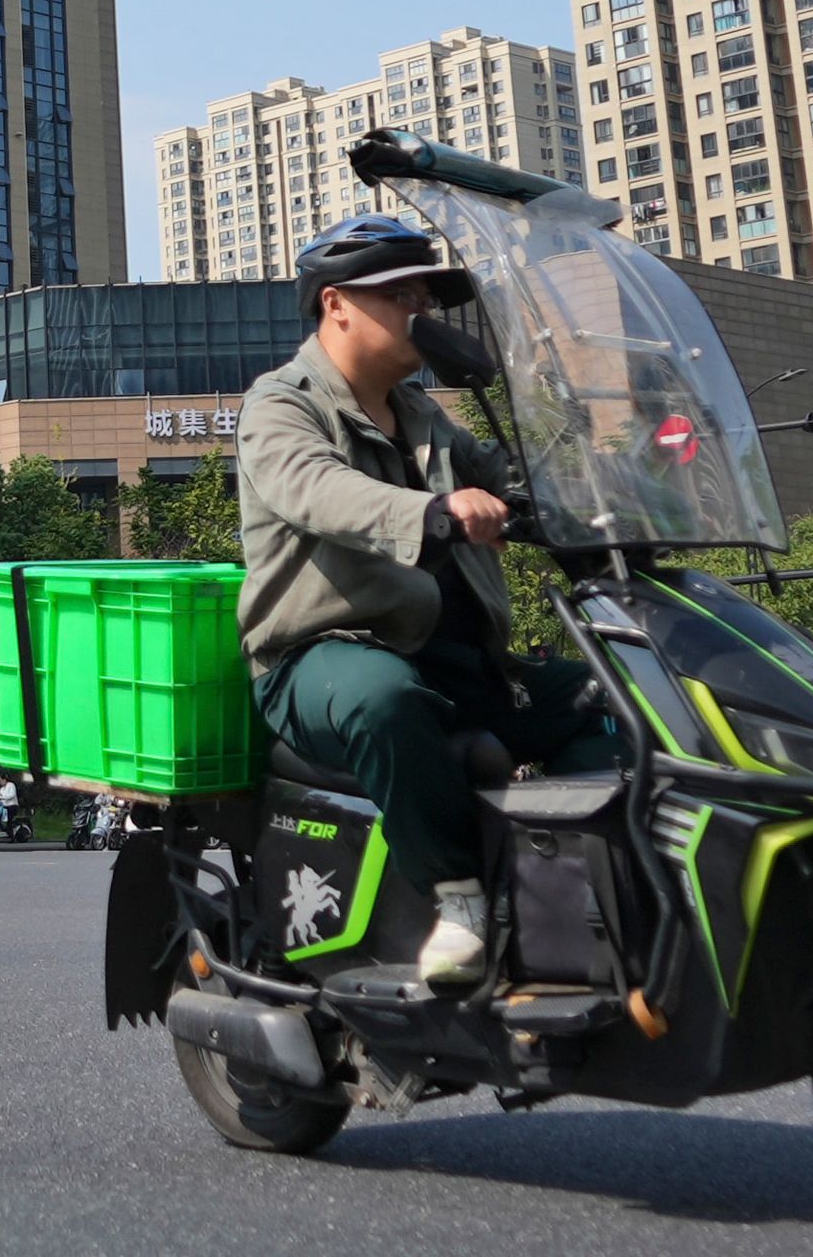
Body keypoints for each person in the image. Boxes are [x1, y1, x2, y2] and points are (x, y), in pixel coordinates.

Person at [238, 213, 615, 987]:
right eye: (400, 293)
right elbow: (316, 489)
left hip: (458, 662)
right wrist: (434, 513)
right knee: (385, 700)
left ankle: (579, 887)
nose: (422, 311)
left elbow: (513, 478)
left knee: (609, 694)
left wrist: (588, 494)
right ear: (336, 303)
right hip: (323, 661)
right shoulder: (281, 404)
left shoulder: (426, 415)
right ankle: (456, 895)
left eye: (428, 297)